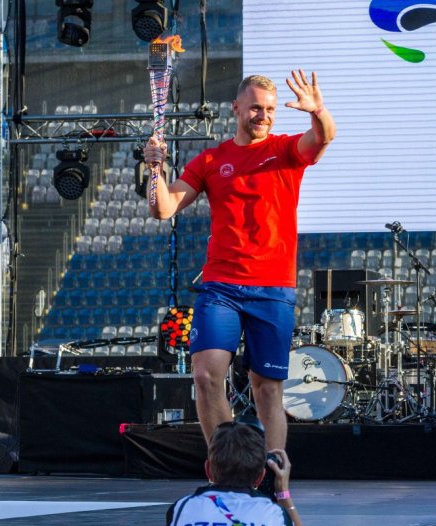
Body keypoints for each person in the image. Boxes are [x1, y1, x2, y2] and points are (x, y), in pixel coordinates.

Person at [144, 69, 336, 450]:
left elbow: (323, 138)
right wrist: (155, 169)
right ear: (235, 108)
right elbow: (163, 209)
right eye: (254, 108)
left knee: (267, 390)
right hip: (221, 287)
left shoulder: (285, 150)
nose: (263, 116)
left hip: (273, 289)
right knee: (205, 376)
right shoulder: (211, 160)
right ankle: (228, 467)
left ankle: (276, 474)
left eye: (269, 109)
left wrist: (318, 111)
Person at [166, 417, 301, 526]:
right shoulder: (273, 513)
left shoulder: (183, 507)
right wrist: (283, 492)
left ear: (208, 470)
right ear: (260, 477)